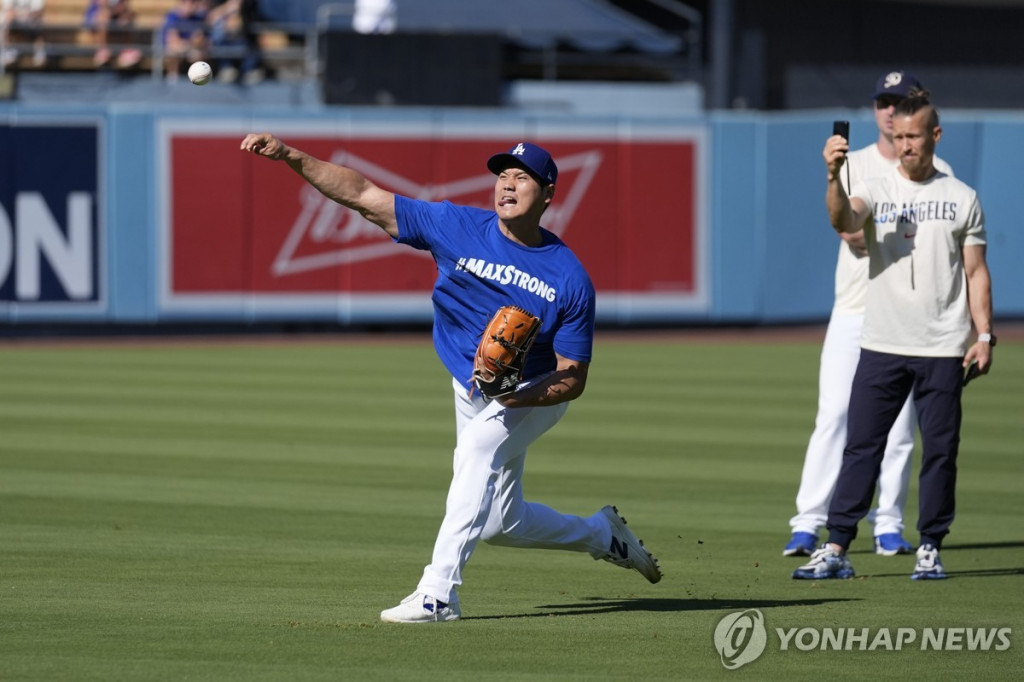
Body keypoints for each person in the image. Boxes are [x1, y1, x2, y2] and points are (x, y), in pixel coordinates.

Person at [239, 133, 663, 622]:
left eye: (521, 177)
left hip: (531, 393)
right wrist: (292, 156)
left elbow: (574, 377)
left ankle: (437, 595)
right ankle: (601, 535)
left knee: (477, 451)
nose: (507, 184)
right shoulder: (454, 225)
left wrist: (518, 398)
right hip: (467, 385)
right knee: (501, 524)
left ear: (547, 194)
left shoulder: (569, 279)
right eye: (502, 175)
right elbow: (360, 194)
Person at [793, 89, 994, 581]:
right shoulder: (877, 187)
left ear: (935, 136)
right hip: (882, 341)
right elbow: (842, 217)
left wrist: (984, 334)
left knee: (941, 449)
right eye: (899, 136)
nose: (905, 144)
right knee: (862, 445)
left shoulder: (960, 196)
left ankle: (930, 544)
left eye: (915, 135)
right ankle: (837, 544)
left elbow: (976, 272)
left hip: (942, 344)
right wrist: (832, 176)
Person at [160, 0, 209, 81]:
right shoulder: (172, 17)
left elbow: (200, 40)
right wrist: (190, 42)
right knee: (172, 52)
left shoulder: (198, 18)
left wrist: (192, 43)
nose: (188, 6)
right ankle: (172, 79)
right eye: (185, 2)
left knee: (198, 54)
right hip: (177, 48)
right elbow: (173, 41)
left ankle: (198, 80)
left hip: (191, 48)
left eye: (192, 3)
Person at [84, 0, 141, 69]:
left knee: (126, 18)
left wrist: (120, 10)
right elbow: (102, 5)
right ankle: (102, 49)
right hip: (100, 15)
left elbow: (124, 6)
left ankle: (126, 49)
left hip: (116, 13)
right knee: (103, 16)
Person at [1, 0, 46, 68]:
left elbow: (37, 11)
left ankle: (39, 51)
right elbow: (8, 10)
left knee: (39, 23)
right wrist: (21, 15)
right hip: (14, 20)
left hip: (30, 20)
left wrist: (23, 15)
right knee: (7, 21)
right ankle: (8, 50)